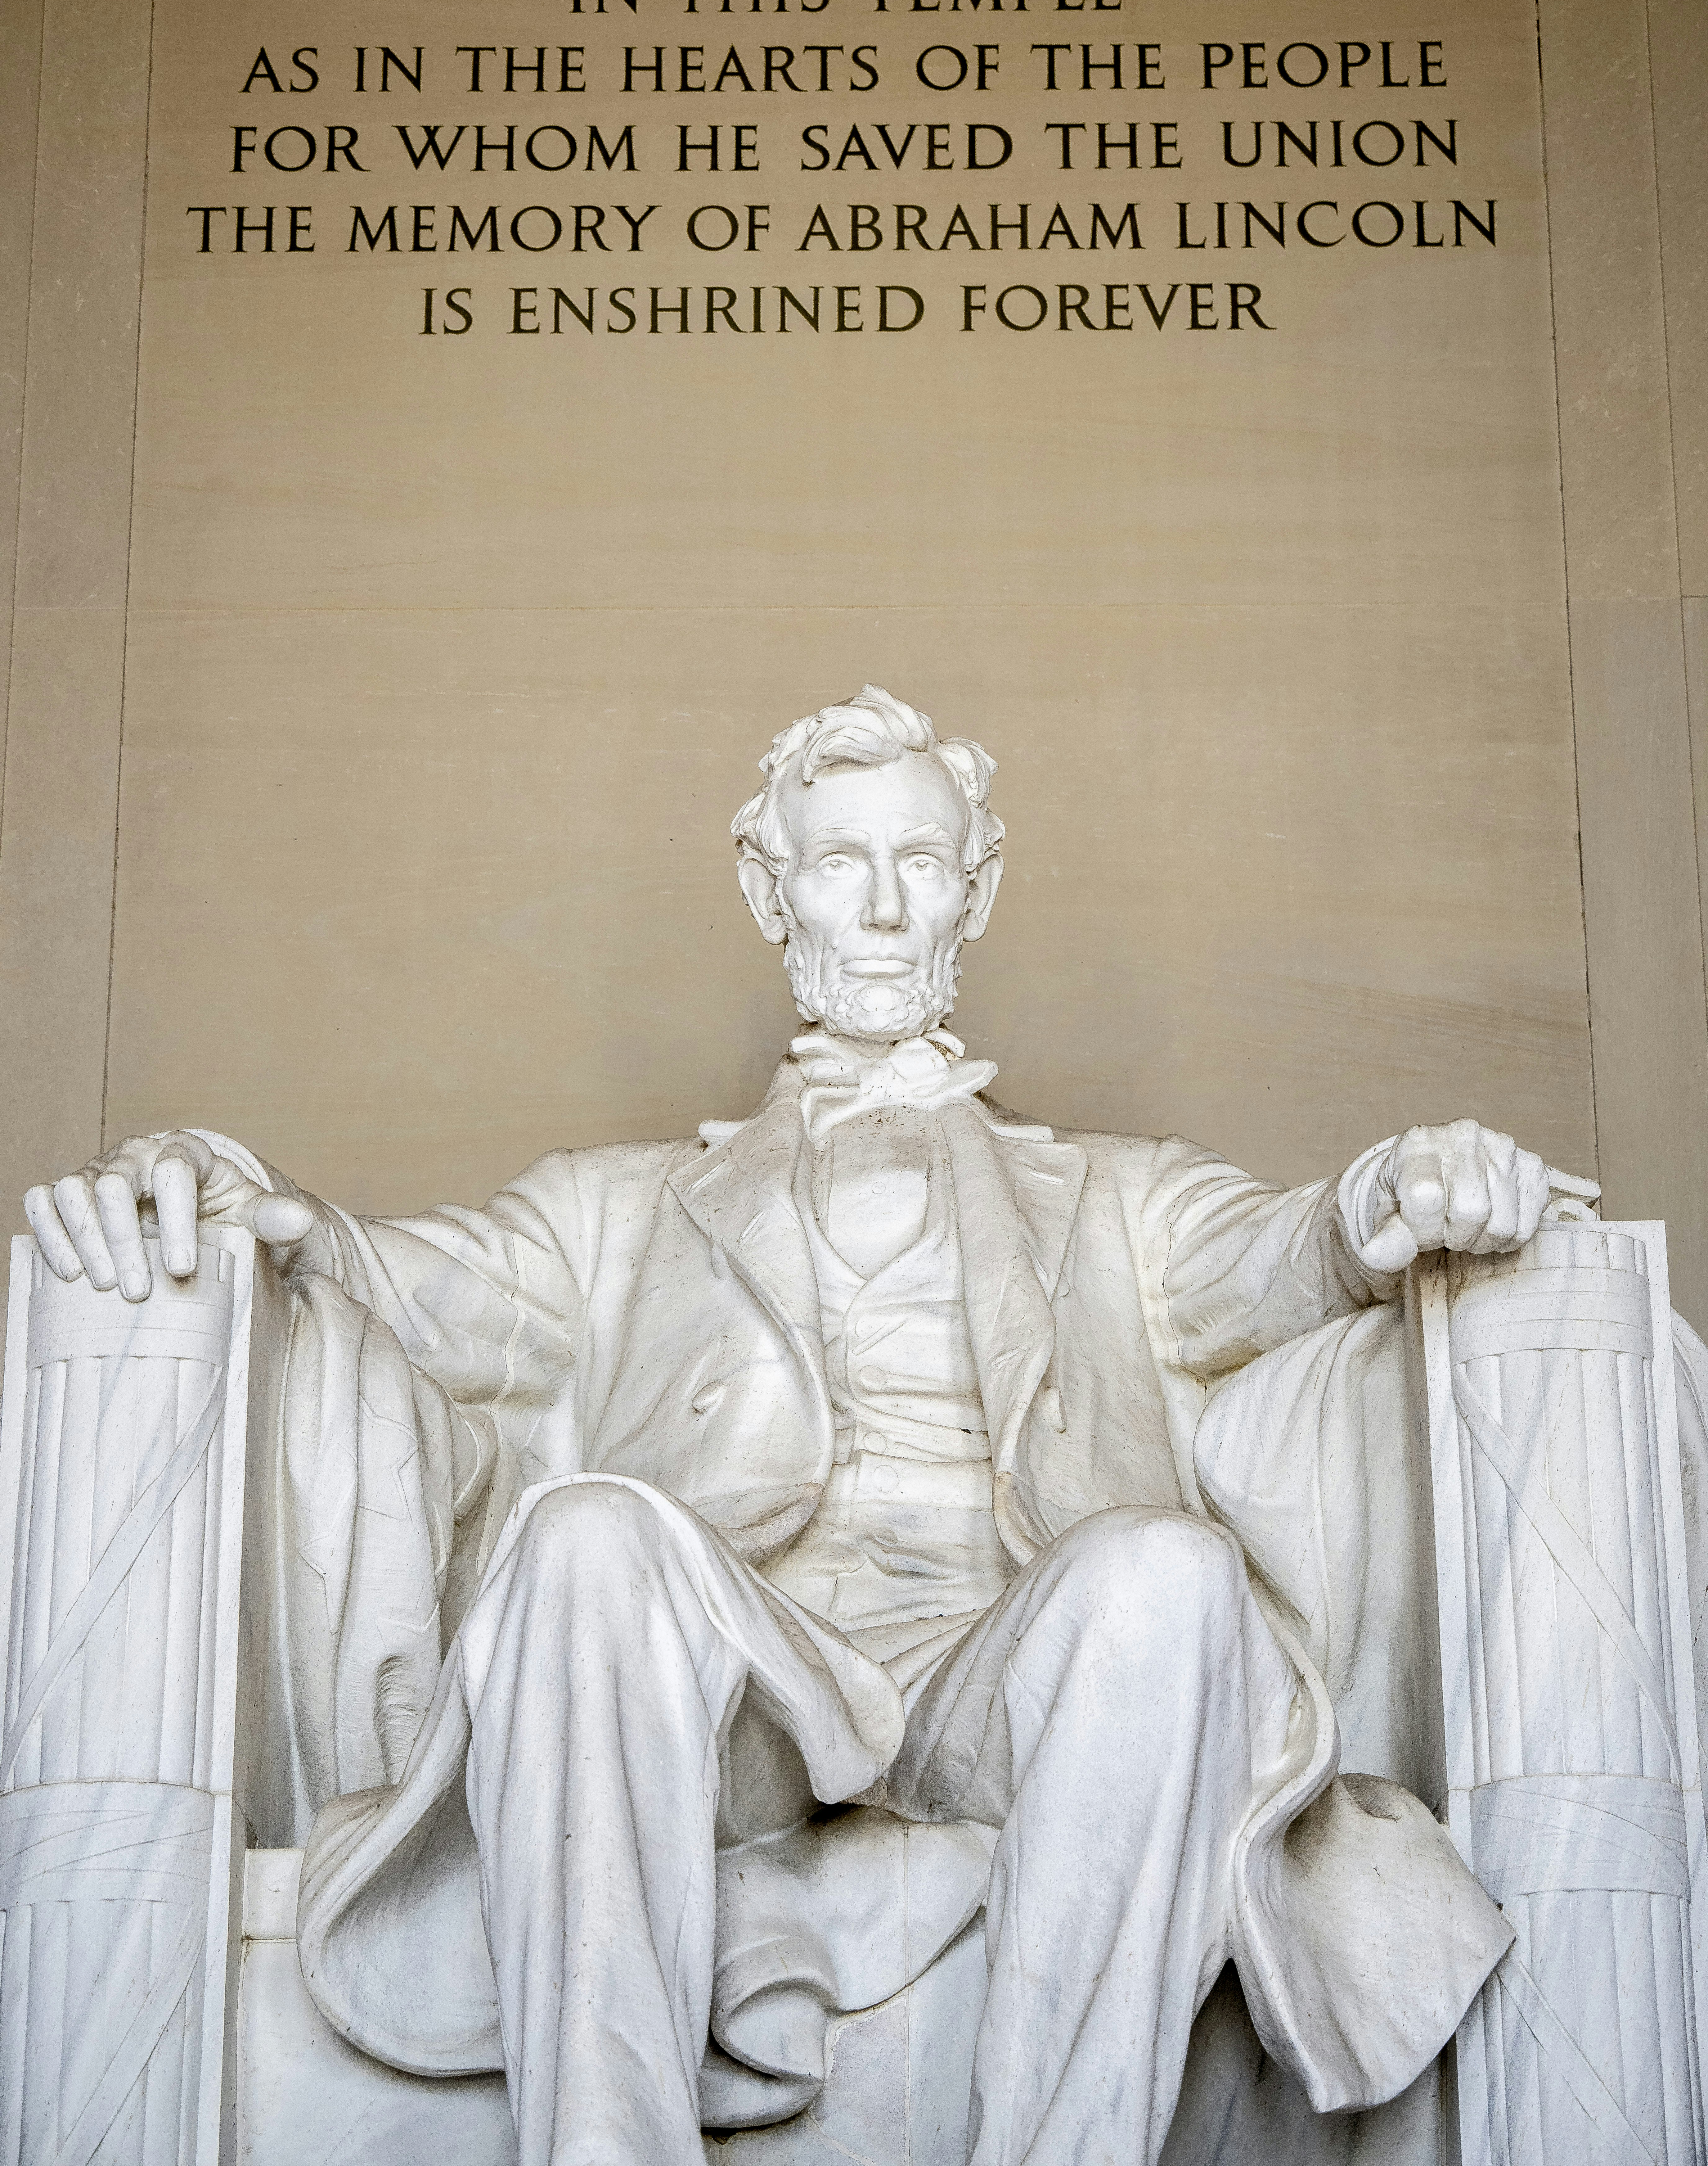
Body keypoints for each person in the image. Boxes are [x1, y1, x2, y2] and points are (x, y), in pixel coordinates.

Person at [30, 684, 1577, 2166]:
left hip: (1008, 1673)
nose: (887, 910)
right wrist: (236, 1197)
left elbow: (1288, 1252)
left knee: (1169, 1573)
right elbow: (391, 1277)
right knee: (583, 1534)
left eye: (921, 864)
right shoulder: (611, 1212)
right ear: (774, 897)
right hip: (734, 1686)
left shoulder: (1118, 1194)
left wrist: (1396, 1191)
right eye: (842, 866)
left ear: (977, 889)